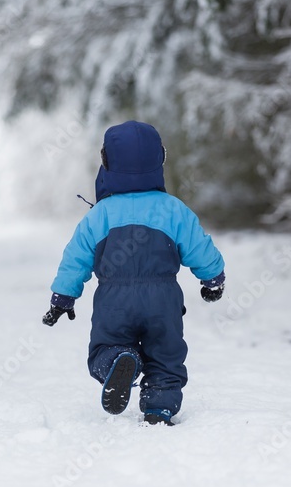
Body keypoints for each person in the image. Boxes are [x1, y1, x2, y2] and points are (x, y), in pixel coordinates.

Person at [42, 120, 225, 426]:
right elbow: (199, 247)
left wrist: (63, 297)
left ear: (107, 163)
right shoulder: (173, 209)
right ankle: (159, 407)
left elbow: (76, 257)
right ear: (159, 160)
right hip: (163, 301)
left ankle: (116, 361)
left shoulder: (100, 214)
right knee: (166, 356)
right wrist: (213, 279)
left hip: (114, 302)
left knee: (104, 346)